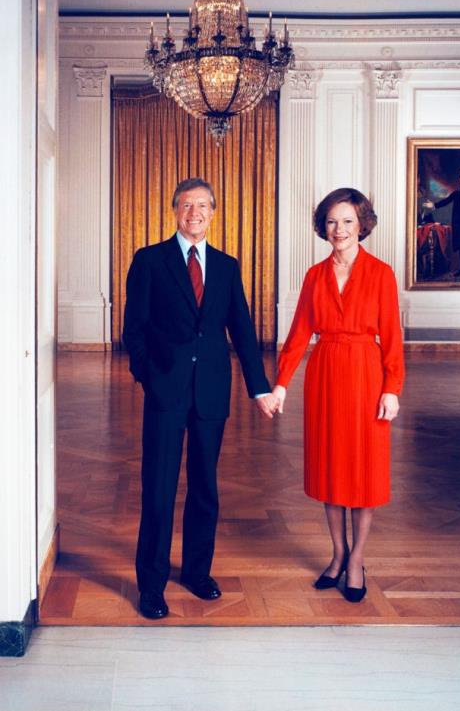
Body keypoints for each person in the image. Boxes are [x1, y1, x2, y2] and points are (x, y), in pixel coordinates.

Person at [123, 177, 277, 619]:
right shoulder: (150, 261)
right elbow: (134, 329)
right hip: (165, 391)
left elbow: (243, 332)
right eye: (187, 205)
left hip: (212, 391)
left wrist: (259, 386)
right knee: (159, 488)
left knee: (205, 487)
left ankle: (195, 572)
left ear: (214, 213)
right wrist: (148, 376)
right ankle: (151, 585)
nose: (195, 213)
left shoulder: (227, 267)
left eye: (203, 206)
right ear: (175, 211)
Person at [269, 188, 405, 603]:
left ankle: (357, 560)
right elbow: (297, 336)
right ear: (322, 227)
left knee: (363, 474)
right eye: (331, 221)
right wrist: (280, 384)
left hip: (366, 375)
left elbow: (394, 339)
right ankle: (338, 552)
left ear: (362, 224)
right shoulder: (314, 276)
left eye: (347, 221)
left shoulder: (381, 274)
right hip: (325, 374)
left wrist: (392, 389)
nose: (339, 229)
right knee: (331, 472)